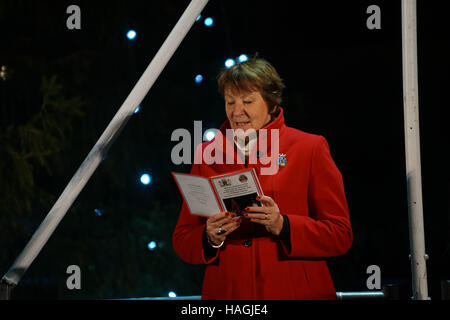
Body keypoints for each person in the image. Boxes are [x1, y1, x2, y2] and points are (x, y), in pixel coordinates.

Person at [172, 57, 352, 299]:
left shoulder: (309, 147)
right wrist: (209, 237)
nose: (237, 112)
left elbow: (340, 235)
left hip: (294, 291)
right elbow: (183, 238)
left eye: (247, 101)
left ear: (271, 103)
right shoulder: (206, 153)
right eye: (230, 102)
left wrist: (284, 226)